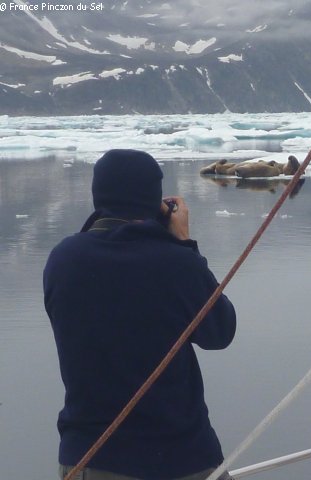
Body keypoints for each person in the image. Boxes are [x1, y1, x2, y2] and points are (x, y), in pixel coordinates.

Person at [44, 149, 237, 480]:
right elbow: (219, 332)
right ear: (154, 199)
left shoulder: (63, 259)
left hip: (89, 457)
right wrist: (184, 244)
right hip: (178, 459)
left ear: (98, 195)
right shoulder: (175, 263)